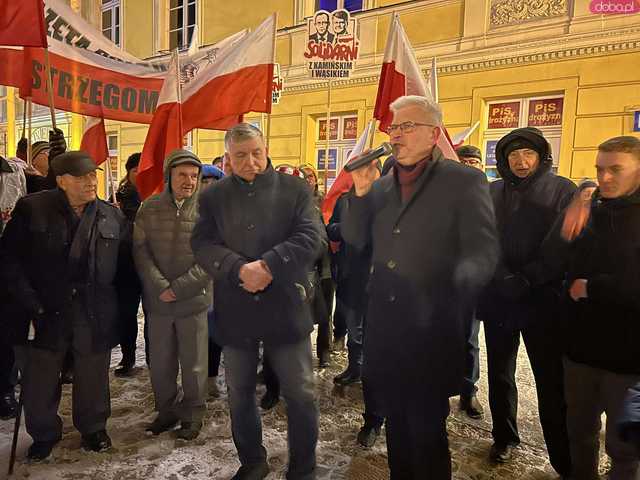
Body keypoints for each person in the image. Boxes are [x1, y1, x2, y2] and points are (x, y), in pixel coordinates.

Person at [343, 95, 499, 478]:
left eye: (406, 126)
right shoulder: (379, 186)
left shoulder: (464, 181)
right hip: (386, 327)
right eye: (394, 127)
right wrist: (360, 193)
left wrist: (452, 287)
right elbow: (355, 239)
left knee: (427, 429)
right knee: (397, 424)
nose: (396, 134)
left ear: (433, 134)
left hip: (433, 328)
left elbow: (482, 249)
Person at [192, 123, 324, 480]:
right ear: (228, 159)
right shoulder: (213, 197)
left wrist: (270, 264)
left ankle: (303, 469)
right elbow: (201, 245)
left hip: (285, 305)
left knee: (300, 393)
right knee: (239, 392)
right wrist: (237, 268)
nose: (250, 161)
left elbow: (313, 237)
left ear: (265, 150)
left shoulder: (294, 189)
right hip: (237, 309)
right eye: (240, 156)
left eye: (256, 153)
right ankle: (252, 461)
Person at [0, 151, 129, 461]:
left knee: (94, 374)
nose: (90, 181)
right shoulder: (32, 209)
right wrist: (30, 303)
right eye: (81, 176)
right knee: (40, 379)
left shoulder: (111, 216)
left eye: (92, 175)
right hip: (44, 311)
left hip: (93, 311)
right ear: (61, 181)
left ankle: (94, 427)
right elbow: (9, 261)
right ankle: (44, 433)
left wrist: (121, 313)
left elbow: (125, 271)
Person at [477, 127, 575, 473]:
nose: (520, 161)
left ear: (541, 156)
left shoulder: (562, 190)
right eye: (513, 155)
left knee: (550, 379)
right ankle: (504, 436)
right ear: (503, 160)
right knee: (500, 373)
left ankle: (562, 454)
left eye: (528, 154)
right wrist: (501, 276)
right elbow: (481, 236)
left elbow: (563, 242)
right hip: (500, 297)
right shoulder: (491, 191)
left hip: (541, 301)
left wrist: (529, 277)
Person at [564, 136, 640, 480]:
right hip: (581, 348)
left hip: (629, 356)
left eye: (615, 169)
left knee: (624, 447)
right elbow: (564, 262)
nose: (605, 177)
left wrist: (592, 287)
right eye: (599, 169)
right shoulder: (590, 207)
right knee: (579, 431)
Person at [133, 149, 211, 441]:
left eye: (194, 175)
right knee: (161, 362)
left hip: (193, 301)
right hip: (159, 302)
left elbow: (211, 258)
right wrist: (161, 287)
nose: (189, 181)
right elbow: (141, 252)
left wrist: (178, 288)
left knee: (194, 364)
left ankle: (193, 414)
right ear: (169, 177)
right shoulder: (149, 208)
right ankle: (165, 411)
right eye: (182, 175)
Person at [327, 162, 386, 448]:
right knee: (355, 332)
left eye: (370, 172)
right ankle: (356, 373)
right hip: (352, 278)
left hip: (388, 288)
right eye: (359, 173)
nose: (364, 177)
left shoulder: (394, 203)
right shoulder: (346, 201)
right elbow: (333, 230)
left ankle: (383, 416)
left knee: (382, 350)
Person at [453, 144, 486, 420]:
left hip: (471, 281)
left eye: (474, 161)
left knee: (469, 339)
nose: (469, 166)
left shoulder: (489, 196)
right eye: (464, 161)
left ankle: (468, 391)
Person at [114, 153, 145, 375]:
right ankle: (128, 357)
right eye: (136, 170)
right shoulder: (118, 201)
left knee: (154, 317)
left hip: (154, 265)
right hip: (126, 266)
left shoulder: (160, 199)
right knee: (127, 314)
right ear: (129, 172)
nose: (141, 175)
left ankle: (155, 356)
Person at [199, 163, 225, 398]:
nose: (208, 187)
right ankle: (200, 378)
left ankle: (212, 378)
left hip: (221, 283)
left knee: (216, 333)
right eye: (203, 182)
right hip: (194, 282)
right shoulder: (189, 210)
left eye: (212, 183)